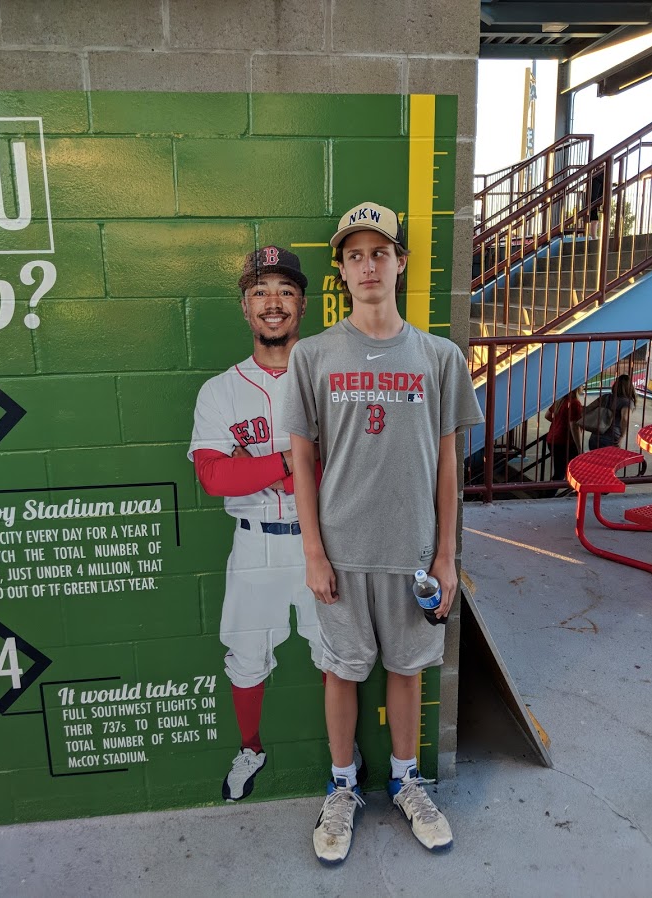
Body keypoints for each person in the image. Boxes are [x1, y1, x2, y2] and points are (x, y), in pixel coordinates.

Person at [281, 202, 484, 865]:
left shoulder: (440, 357)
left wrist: (446, 556)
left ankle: (404, 781)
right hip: (341, 552)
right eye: (354, 256)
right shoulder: (312, 356)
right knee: (340, 672)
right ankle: (342, 786)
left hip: (414, 553)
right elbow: (301, 460)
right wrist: (313, 551)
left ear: (400, 263)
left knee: (406, 669)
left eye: (380, 253)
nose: (367, 265)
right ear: (341, 271)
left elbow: (449, 463)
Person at [188, 246, 325, 803]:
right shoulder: (220, 391)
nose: (273, 303)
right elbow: (214, 476)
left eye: (285, 291)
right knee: (246, 660)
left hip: (322, 544)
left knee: (335, 652)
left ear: (303, 304)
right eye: (260, 292)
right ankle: (251, 749)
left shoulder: (327, 377)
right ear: (245, 307)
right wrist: (292, 462)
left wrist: (263, 470)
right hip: (253, 547)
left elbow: (348, 469)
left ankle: (342, 751)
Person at [587, 373, 637, 451]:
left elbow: (589, 408)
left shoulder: (605, 397)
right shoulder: (627, 402)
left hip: (595, 437)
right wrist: (622, 436)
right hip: (611, 439)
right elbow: (624, 419)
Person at [545, 387, 584, 485]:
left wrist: (559, 422)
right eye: (581, 385)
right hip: (565, 441)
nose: (583, 387)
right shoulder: (574, 403)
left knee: (560, 470)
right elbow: (574, 426)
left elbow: (547, 415)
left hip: (552, 439)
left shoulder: (560, 401)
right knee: (571, 471)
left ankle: (553, 490)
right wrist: (579, 447)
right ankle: (550, 492)